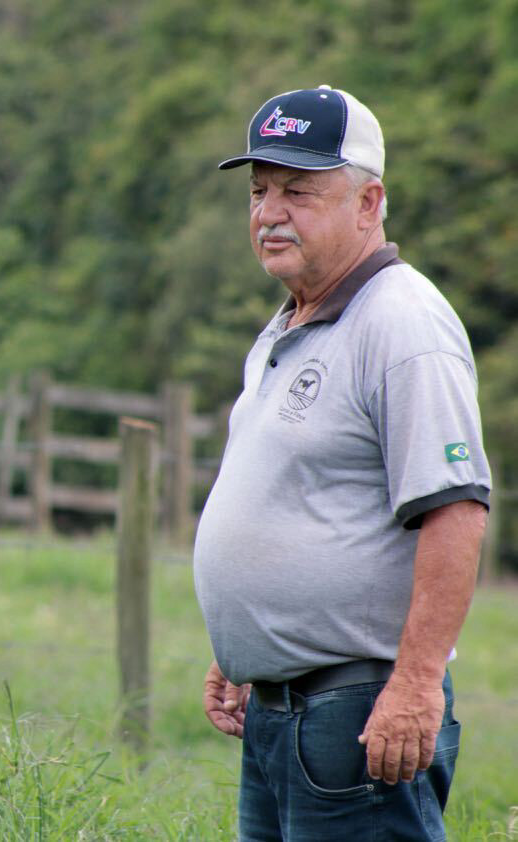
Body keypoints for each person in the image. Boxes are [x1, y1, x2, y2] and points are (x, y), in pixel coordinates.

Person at [193, 85, 490, 840]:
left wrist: (417, 684)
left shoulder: (401, 322)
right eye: (259, 192)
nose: (268, 212)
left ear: (368, 203)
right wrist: (244, 650)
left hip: (356, 717)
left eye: (298, 190)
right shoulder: (289, 325)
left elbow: (454, 510)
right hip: (280, 713)